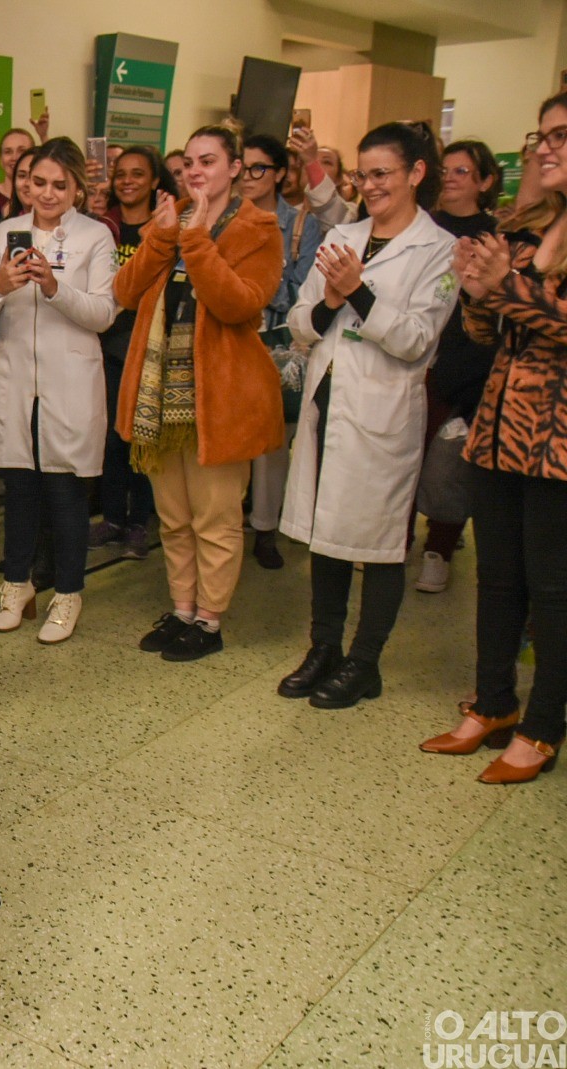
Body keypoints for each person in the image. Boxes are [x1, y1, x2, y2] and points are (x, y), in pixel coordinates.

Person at [277, 122, 457, 709]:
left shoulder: (441, 250)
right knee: (326, 534)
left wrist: (357, 291)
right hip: (328, 401)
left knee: (378, 542)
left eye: (382, 174)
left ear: (416, 174)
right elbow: (300, 324)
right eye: (363, 174)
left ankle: (364, 661)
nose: (370, 185)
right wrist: (329, 300)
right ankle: (323, 646)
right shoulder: (344, 234)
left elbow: (415, 340)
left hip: (383, 410)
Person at [419, 93, 567, 784]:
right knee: (499, 579)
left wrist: (505, 286)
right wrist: (478, 292)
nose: (544, 148)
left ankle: (543, 726)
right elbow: (491, 335)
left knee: (553, 587)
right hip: (501, 433)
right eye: (542, 135)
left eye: (561, 135)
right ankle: (493, 703)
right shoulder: (532, 227)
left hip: (560, 444)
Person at [114, 125, 284, 661]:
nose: (195, 172)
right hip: (160, 391)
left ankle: (210, 622)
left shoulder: (259, 227)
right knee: (175, 516)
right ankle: (182, 609)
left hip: (221, 398)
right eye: (189, 162)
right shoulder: (173, 218)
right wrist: (164, 235)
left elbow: (238, 304)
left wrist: (195, 239)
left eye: (208, 161)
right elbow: (124, 291)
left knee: (215, 518)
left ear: (235, 168)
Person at [0, 139, 118, 641]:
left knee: (66, 492)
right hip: (15, 380)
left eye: (60, 184)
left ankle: (68, 594)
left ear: (78, 187)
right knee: (20, 490)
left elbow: (102, 313)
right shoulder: (5, 234)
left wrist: (55, 288)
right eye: (39, 182)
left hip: (70, 380)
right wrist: (1, 286)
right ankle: (17, 587)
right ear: (25, 182)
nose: (48, 193)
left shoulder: (96, 237)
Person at [412, 139, 502, 594]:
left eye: (462, 171)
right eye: (445, 170)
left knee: (447, 468)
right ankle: (393, 539)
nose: (449, 177)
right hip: (414, 359)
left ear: (485, 181)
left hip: (467, 367)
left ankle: (439, 550)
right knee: (404, 457)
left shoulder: (495, 238)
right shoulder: (422, 227)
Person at [242, 133, 326, 572]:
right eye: (243, 165)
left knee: (273, 440)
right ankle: (229, 517)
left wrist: (252, 286)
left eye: (259, 167)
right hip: (229, 335)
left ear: (278, 174)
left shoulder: (299, 223)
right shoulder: (223, 216)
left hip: (274, 337)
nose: (249, 176)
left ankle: (265, 527)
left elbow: (303, 285)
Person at [92, 145, 177, 559]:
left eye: (137, 174)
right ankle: (111, 517)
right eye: (120, 173)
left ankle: (139, 522)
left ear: (155, 180)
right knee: (109, 439)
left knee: (141, 438)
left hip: (147, 347)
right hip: (105, 346)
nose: (127, 181)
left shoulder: (165, 230)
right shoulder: (101, 227)